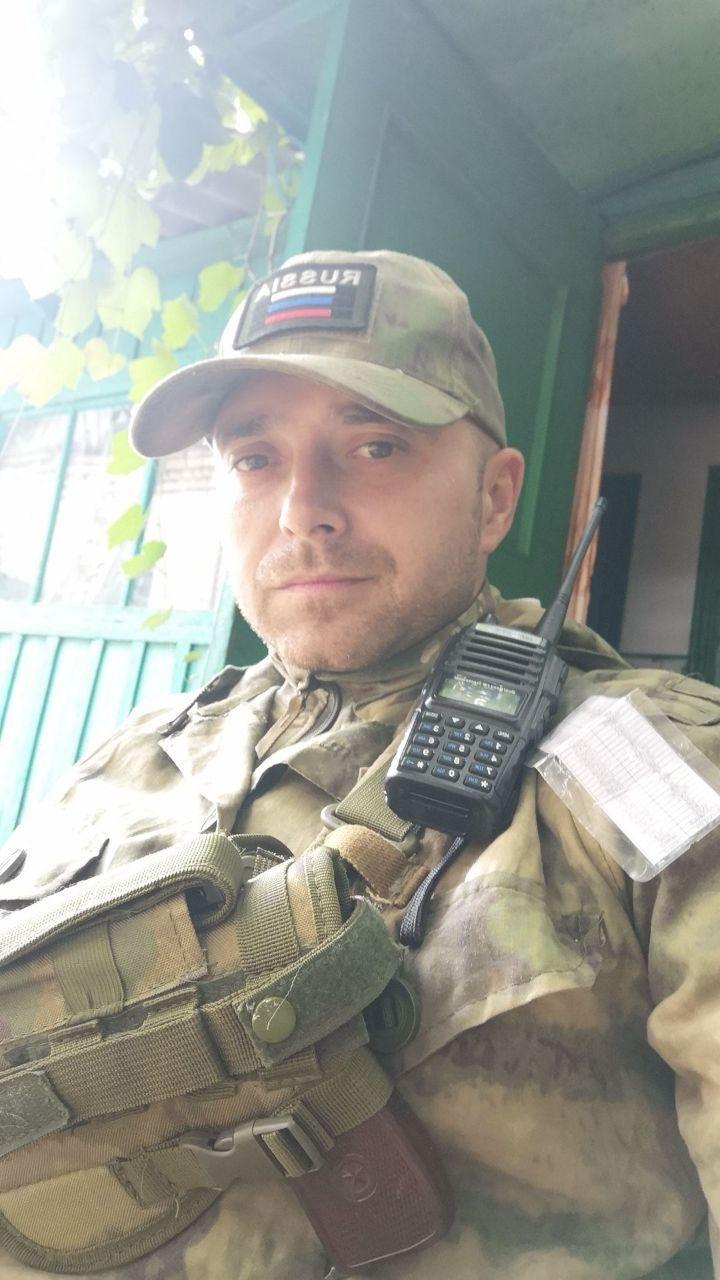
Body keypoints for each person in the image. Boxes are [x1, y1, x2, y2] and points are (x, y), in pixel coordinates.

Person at [0, 249, 719, 1280]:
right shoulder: (138, 746)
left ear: (496, 498)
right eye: (255, 458)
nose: (304, 508)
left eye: (375, 445)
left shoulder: (647, 765)